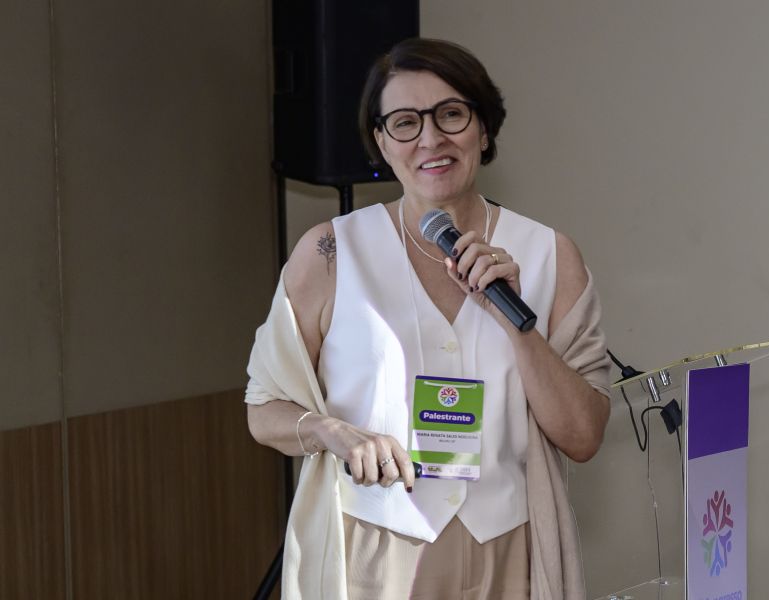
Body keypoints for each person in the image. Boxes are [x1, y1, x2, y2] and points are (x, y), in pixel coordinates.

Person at [245, 38, 611, 600]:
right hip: (375, 554)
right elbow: (263, 407)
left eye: (451, 114)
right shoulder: (330, 253)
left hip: (508, 550)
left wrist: (519, 326)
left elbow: (583, 437)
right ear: (381, 142)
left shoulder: (549, 255)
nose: (430, 139)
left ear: (483, 129)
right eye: (405, 122)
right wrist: (331, 432)